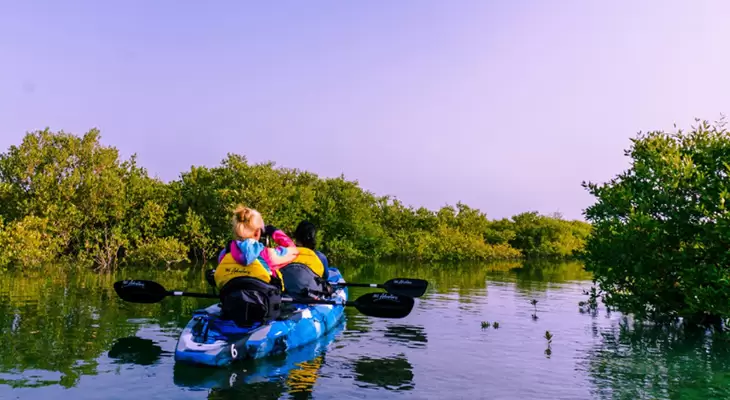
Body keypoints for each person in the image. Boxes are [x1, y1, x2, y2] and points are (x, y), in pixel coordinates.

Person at [213, 205, 299, 327]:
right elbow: (294, 251)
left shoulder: (224, 254)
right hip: (266, 310)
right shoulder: (268, 255)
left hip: (233, 308)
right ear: (258, 232)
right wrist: (275, 232)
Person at [278, 220, 333, 301]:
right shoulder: (320, 257)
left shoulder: (283, 253)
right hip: (310, 295)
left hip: (285, 295)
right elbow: (325, 277)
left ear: (296, 236)